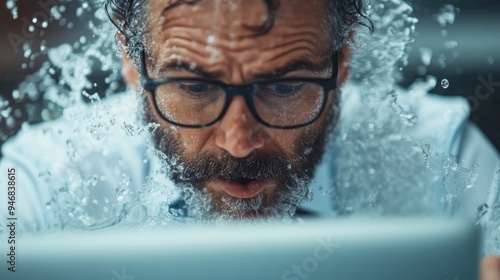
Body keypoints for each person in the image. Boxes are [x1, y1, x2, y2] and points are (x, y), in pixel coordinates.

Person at [1, 0, 499, 278]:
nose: (239, 142)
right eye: (194, 87)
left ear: (343, 59)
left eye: (284, 86)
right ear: (132, 60)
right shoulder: (37, 182)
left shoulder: (441, 156)